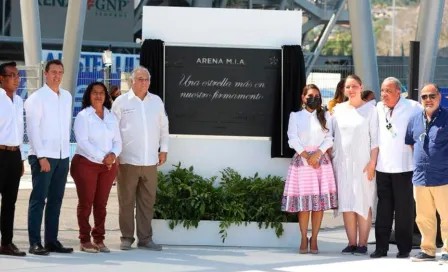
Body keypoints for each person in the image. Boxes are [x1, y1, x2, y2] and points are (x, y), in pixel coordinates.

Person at [111, 66, 169, 251]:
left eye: (146, 79)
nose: (144, 82)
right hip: (127, 160)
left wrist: (164, 149)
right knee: (126, 201)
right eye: (140, 79)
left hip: (151, 161)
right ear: (132, 82)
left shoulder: (156, 102)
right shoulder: (121, 102)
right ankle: (127, 237)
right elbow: (113, 131)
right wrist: (115, 153)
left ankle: (145, 238)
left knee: (147, 202)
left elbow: (163, 127)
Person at [24, 59, 73, 255]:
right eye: (53, 72)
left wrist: (66, 155)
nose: (57, 75)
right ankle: (35, 242)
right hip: (44, 157)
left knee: (56, 200)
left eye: (60, 72)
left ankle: (51, 240)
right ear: (45, 73)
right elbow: (33, 129)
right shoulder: (36, 98)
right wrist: (42, 156)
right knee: (38, 200)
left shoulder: (67, 96)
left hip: (62, 157)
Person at [282, 84, 337, 254]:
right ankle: (303, 237)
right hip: (303, 164)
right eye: (310, 95)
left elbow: (330, 138)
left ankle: (314, 238)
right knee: (304, 204)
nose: (314, 98)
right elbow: (292, 138)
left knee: (318, 205)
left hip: (321, 162)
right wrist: (307, 156)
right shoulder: (295, 116)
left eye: (317, 95)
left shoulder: (327, 115)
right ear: (303, 98)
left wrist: (318, 154)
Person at [370, 77, 421, 259]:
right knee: (383, 209)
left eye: (388, 91)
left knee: (404, 210)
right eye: (383, 90)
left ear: (399, 92)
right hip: (383, 167)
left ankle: (404, 248)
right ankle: (381, 247)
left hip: (405, 167)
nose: (384, 94)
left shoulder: (413, 107)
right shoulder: (377, 107)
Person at [70, 82, 122, 253]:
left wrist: (113, 155)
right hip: (86, 164)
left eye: (101, 93)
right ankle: (84, 240)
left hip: (107, 166)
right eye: (95, 93)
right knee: (86, 203)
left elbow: (118, 141)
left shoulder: (111, 116)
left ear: (106, 96)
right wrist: (103, 158)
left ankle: (99, 239)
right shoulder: (83, 116)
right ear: (89, 95)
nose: (98, 96)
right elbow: (83, 142)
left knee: (101, 204)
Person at [331, 74, 379, 255]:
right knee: (347, 203)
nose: (350, 90)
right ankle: (351, 242)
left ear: (361, 87)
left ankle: (363, 243)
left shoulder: (371, 110)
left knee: (363, 201)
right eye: (347, 87)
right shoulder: (338, 110)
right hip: (342, 164)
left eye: (353, 86)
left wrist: (373, 162)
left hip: (363, 164)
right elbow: (331, 136)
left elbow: (375, 140)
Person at [405, 83, 448, 264]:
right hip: (421, 177)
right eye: (424, 97)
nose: (428, 100)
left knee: (447, 216)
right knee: (423, 217)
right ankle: (428, 250)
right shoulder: (415, 119)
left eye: (432, 96)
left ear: (440, 96)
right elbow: (411, 143)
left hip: (443, 176)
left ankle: (446, 250)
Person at [0, 62, 26, 256]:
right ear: (2, 78)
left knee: (10, 202)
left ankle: (6, 243)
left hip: (14, 155)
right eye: (12, 75)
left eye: (18, 75)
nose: (17, 79)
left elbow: (20, 130)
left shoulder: (18, 101)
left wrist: (21, 158)